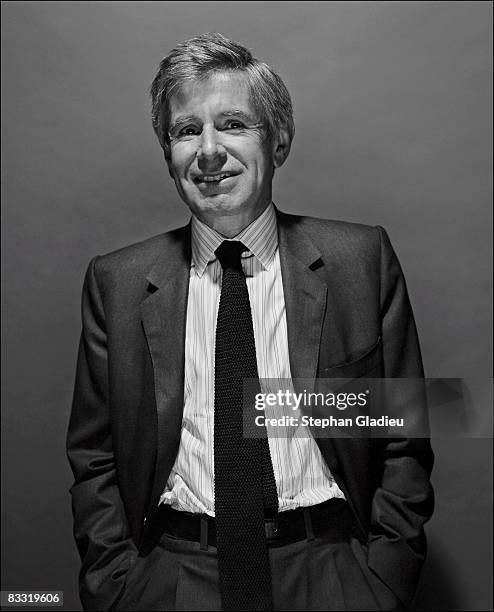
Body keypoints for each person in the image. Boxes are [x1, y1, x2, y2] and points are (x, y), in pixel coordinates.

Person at [67, 33, 434, 612]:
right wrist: (117, 586)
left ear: (279, 140)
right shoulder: (116, 281)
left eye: (233, 123)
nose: (209, 151)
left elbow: (402, 434)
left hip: (331, 574)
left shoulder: (358, 261)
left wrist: (383, 578)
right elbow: (94, 458)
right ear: (169, 154)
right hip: (172, 580)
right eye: (187, 131)